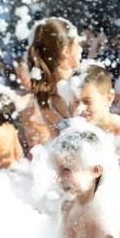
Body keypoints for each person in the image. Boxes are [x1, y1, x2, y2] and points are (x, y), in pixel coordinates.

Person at [22, 17, 82, 150]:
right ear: (66, 51)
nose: (80, 50)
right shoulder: (80, 88)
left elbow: (57, 148)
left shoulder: (43, 96)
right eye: (77, 45)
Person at [71, 64, 120, 180]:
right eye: (76, 102)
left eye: (87, 102)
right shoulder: (75, 129)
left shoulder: (117, 132)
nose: (80, 109)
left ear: (109, 98)